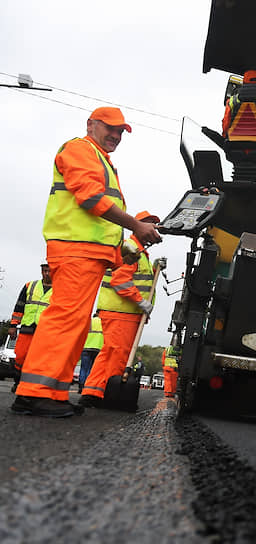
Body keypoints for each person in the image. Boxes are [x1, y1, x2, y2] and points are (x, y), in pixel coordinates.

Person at [11, 107, 162, 418]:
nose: (116, 136)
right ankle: (34, 393)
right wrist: (135, 225)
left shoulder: (99, 159)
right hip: (75, 250)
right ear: (91, 125)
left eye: (121, 132)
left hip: (88, 253)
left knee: (74, 324)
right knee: (66, 320)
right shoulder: (79, 150)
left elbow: (99, 223)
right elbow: (91, 200)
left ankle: (49, 393)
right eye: (111, 128)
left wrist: (128, 249)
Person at [79, 212, 159, 409]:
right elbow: (120, 281)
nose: (153, 230)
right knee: (118, 355)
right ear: (137, 227)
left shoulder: (138, 252)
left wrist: (156, 268)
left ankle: (93, 392)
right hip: (122, 313)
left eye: (155, 226)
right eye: (149, 225)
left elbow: (138, 281)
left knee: (108, 353)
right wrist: (140, 302)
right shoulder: (130, 249)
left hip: (122, 312)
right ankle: (110, 395)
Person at [7, 262, 53, 387]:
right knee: (20, 356)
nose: (46, 273)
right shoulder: (30, 286)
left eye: (49, 271)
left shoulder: (59, 289)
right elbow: (19, 306)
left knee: (38, 360)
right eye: (44, 271)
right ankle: (18, 382)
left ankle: (28, 386)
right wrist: (13, 325)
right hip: (27, 328)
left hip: (45, 330)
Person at [76, 311, 103, 393]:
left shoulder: (89, 321)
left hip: (86, 348)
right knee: (91, 369)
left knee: (83, 368)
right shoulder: (103, 322)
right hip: (98, 348)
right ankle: (87, 387)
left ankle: (81, 386)